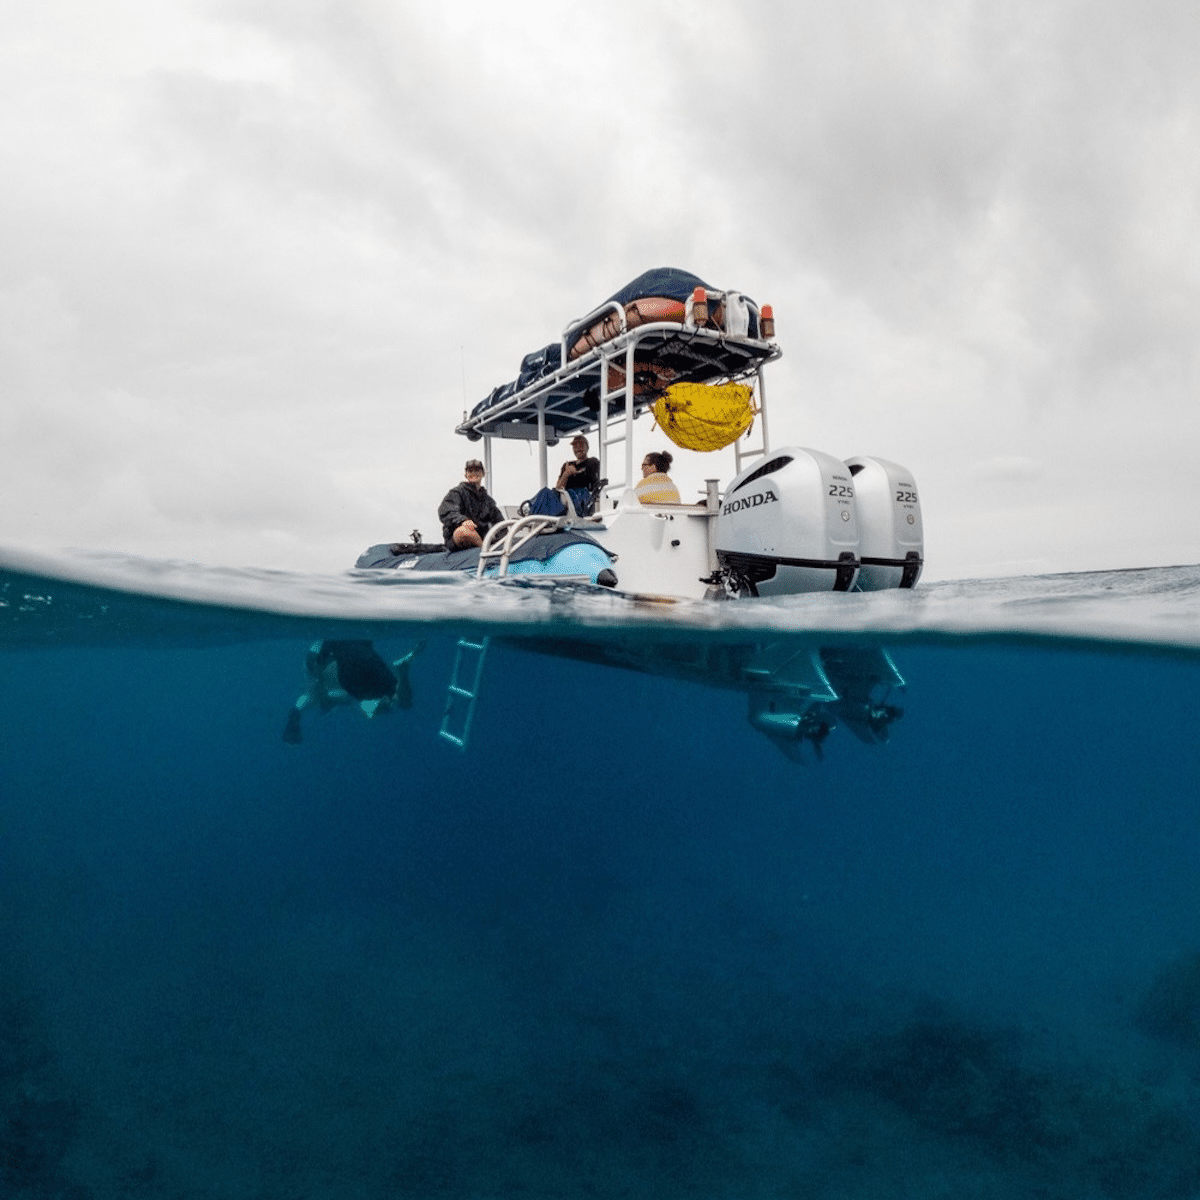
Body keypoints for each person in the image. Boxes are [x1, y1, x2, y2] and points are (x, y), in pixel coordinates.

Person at [282, 639, 424, 743]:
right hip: (341, 655)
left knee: (371, 703)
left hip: (330, 661)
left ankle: (384, 698)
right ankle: (395, 685)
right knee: (396, 701)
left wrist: (295, 715)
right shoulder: (328, 687)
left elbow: (313, 695)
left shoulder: (328, 689)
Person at [525, 434, 602, 517]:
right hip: (566, 495)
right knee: (545, 492)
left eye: (581, 445)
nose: (578, 448)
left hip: (580, 497)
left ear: (587, 447)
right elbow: (558, 487)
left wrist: (577, 473)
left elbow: (595, 483)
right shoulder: (567, 465)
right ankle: (532, 513)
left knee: (547, 495)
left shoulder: (592, 462)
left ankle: (535, 514)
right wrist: (567, 473)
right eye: (575, 446)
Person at [438, 459, 504, 550]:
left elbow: (500, 523)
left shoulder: (488, 501)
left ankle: (488, 551)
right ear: (466, 474)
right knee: (463, 532)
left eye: (477, 471)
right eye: (470, 471)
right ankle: (485, 552)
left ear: (483, 474)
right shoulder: (456, 493)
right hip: (458, 540)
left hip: (483, 538)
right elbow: (446, 511)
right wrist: (463, 521)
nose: (473, 473)